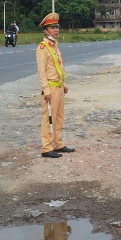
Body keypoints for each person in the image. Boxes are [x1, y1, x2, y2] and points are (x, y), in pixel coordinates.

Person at [36, 13, 73, 158]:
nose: (56, 30)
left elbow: (59, 66)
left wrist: (63, 83)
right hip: (50, 87)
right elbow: (42, 71)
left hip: (58, 86)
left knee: (58, 117)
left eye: (57, 27)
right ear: (46, 31)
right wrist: (46, 90)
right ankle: (46, 148)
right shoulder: (42, 48)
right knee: (48, 118)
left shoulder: (55, 46)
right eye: (52, 28)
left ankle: (58, 144)